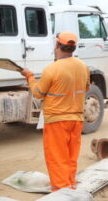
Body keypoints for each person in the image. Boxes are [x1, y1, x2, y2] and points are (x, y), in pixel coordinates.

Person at [21, 32, 90, 191]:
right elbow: (85, 87)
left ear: (57, 45)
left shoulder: (51, 69)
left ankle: (61, 193)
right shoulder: (83, 66)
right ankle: (70, 186)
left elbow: (38, 93)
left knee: (57, 158)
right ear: (73, 47)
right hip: (77, 119)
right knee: (71, 157)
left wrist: (29, 76)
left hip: (57, 120)